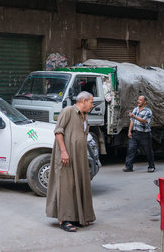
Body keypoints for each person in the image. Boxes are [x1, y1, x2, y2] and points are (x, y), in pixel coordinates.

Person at [46, 91, 96, 232]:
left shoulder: (84, 116)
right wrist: (63, 151)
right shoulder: (68, 111)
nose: (92, 105)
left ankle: (77, 217)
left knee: (78, 185)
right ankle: (64, 219)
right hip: (66, 155)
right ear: (84, 101)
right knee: (65, 186)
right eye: (91, 102)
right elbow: (58, 131)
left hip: (79, 156)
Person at [122, 95, 155, 173]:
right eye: (138, 99)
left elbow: (144, 121)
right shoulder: (135, 109)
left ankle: (151, 166)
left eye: (140, 100)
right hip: (135, 134)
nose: (138, 101)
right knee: (131, 149)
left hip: (145, 135)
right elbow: (132, 121)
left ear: (144, 102)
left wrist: (134, 116)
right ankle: (129, 167)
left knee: (148, 151)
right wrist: (129, 131)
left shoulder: (148, 111)